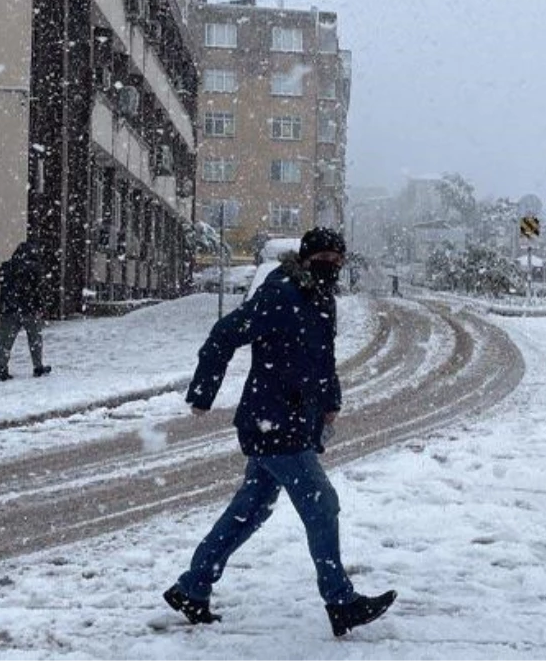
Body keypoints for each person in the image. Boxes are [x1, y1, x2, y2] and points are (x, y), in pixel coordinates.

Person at [163, 227, 395, 637]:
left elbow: (323, 358)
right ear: (306, 259)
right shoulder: (280, 294)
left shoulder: (320, 298)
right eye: (326, 258)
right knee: (321, 504)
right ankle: (340, 601)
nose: (334, 266)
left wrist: (330, 403)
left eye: (339, 261)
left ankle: (192, 587)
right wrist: (203, 393)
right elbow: (224, 334)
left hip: (291, 420)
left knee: (249, 511)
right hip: (271, 421)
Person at [0, 241, 51, 381]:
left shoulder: (6, 267)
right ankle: (37, 367)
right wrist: (40, 307)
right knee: (35, 339)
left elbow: (0, 280)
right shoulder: (35, 268)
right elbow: (39, 290)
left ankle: (2, 369)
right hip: (29, 310)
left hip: (8, 310)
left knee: (5, 342)